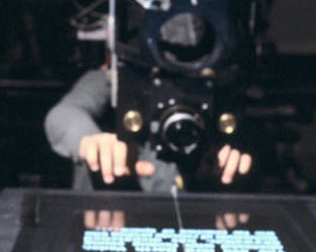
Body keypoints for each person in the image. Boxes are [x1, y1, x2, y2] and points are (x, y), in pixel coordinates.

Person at [44, 64, 253, 191]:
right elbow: (63, 115)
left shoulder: (216, 88)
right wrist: (91, 141)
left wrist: (225, 168)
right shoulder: (118, 77)